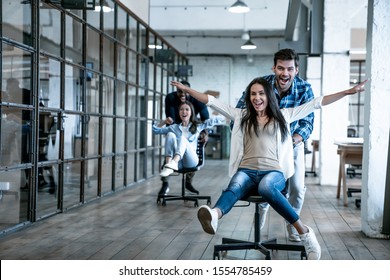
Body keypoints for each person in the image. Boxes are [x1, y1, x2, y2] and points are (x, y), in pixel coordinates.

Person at [170, 78, 367, 260]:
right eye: (253, 94)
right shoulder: (241, 115)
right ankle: (214, 215)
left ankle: (304, 232)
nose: (257, 98)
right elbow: (211, 101)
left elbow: (317, 103)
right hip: (246, 170)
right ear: (249, 97)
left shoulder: (283, 115)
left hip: (273, 173)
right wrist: (187, 90)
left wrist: (348, 92)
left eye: (261, 94)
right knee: (235, 184)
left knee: (266, 187)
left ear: (268, 96)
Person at [235, 49, 315, 242]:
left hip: (292, 144)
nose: (284, 73)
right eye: (280, 68)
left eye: (289, 69)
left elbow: (308, 122)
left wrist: (292, 141)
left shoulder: (305, 89)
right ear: (274, 68)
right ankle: (262, 210)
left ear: (296, 69)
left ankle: (292, 224)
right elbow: (239, 112)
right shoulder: (261, 85)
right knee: (264, 184)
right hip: (262, 144)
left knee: (296, 187)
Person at [159, 80, 210, 196]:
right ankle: (165, 183)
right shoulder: (170, 98)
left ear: (189, 92)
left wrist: (205, 133)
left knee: (198, 146)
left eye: (185, 92)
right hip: (178, 125)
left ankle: (188, 181)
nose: (182, 95)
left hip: (192, 125)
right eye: (179, 92)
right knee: (171, 147)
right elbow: (171, 119)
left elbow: (205, 117)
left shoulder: (197, 98)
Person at [153, 101, 224, 178]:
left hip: (191, 161)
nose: (184, 111)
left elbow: (216, 120)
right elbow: (155, 130)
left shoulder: (197, 126)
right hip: (178, 164)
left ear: (191, 113)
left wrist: (225, 115)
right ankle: (168, 166)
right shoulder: (174, 127)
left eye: (187, 109)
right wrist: (164, 122)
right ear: (179, 112)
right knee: (170, 135)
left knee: (182, 139)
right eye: (181, 109)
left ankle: (173, 162)